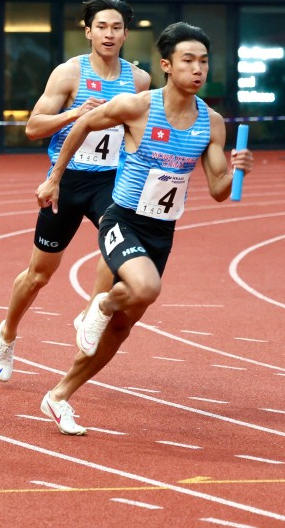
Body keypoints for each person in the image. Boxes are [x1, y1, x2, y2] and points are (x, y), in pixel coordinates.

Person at [35, 22, 253, 435]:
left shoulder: (212, 123)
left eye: (204, 61)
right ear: (167, 65)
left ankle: (60, 395)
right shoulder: (137, 106)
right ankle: (97, 305)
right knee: (146, 288)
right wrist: (55, 176)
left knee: (121, 330)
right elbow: (82, 125)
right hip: (122, 220)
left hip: (161, 232)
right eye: (188, 60)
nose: (198, 69)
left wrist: (237, 170)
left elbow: (220, 191)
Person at [0, 0, 151, 383]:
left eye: (116, 28)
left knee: (118, 245)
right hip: (68, 181)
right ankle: (8, 332)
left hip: (113, 180)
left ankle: (91, 309)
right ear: (88, 31)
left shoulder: (139, 80)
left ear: (126, 34)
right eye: (102, 27)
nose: (109, 34)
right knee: (39, 274)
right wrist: (76, 114)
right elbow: (33, 127)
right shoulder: (69, 74)